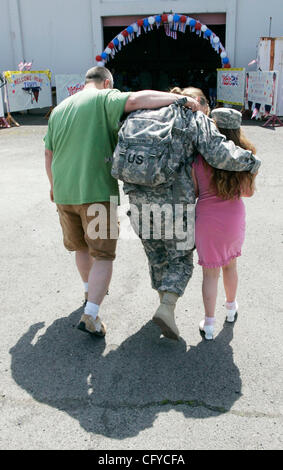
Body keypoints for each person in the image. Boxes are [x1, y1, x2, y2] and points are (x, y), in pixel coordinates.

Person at [44, 66, 199, 338]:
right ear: (106, 83)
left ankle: (87, 291)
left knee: (81, 247)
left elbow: (48, 153)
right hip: (95, 193)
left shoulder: (60, 109)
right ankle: (90, 314)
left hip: (64, 194)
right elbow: (137, 100)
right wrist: (179, 99)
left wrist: (53, 187)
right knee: (103, 255)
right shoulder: (103, 98)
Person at [123, 88, 261, 341]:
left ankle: (163, 302)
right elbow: (220, 154)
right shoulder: (193, 117)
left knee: (156, 255)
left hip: (138, 199)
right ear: (198, 103)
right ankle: (167, 306)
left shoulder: (145, 114)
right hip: (174, 203)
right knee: (180, 258)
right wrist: (252, 162)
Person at [191, 108, 257, 340]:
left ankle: (208, 324)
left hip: (207, 219)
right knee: (231, 266)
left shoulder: (199, 156)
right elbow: (247, 192)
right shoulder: (246, 154)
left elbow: (195, 191)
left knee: (210, 275)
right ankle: (231, 309)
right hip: (233, 218)